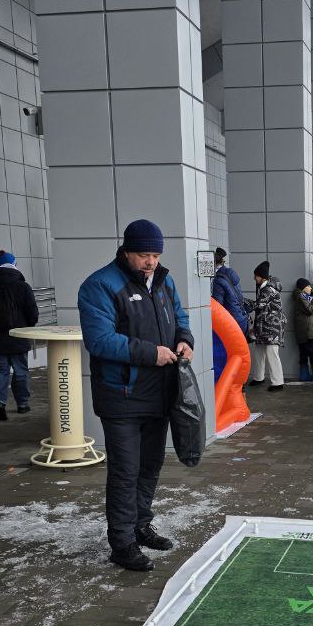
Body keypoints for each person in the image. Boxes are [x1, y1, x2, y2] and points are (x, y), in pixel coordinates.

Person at [78, 219, 193, 572]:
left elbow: (180, 316)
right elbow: (99, 340)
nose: (151, 261)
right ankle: (122, 541)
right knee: (125, 471)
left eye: (156, 254)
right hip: (122, 396)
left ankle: (142, 525)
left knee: (150, 465)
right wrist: (151, 353)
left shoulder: (164, 281)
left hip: (159, 393)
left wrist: (184, 339)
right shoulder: (100, 285)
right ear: (127, 251)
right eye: (144, 254)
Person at [0, 249, 39, 420]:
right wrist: (26, 329)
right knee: (21, 371)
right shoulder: (23, 286)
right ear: (14, 265)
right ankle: (23, 404)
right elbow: (33, 313)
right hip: (19, 337)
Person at [248, 262, 285, 391]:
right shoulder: (262, 288)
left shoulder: (268, 290)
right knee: (259, 352)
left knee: (271, 353)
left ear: (261, 276)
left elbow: (258, 305)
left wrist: (241, 302)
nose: (254, 278)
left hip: (272, 327)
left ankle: (278, 382)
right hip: (263, 327)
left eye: (256, 276)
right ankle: (258, 377)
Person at [292, 277, 313, 382]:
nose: (311, 288)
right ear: (303, 288)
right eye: (308, 286)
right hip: (307, 330)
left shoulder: (300, 296)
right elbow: (311, 309)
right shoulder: (302, 297)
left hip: (302, 330)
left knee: (303, 353)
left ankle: (304, 375)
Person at [210, 247, 248, 334]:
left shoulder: (218, 280)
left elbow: (218, 305)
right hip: (241, 317)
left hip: (231, 322)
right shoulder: (231, 273)